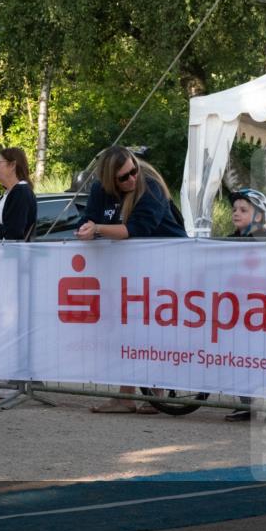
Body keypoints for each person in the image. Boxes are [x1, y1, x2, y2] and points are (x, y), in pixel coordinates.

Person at [75, 146, 186, 414]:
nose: (132, 179)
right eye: (124, 177)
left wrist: (99, 228)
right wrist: (85, 228)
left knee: (153, 329)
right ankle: (129, 395)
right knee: (126, 327)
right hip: (129, 272)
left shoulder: (151, 188)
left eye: (133, 171)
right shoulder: (100, 191)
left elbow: (136, 230)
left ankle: (155, 394)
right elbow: (87, 218)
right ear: (110, 179)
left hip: (169, 264)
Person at [222, 189, 266, 421]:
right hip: (239, 311)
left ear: (259, 216)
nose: (236, 213)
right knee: (240, 357)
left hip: (265, 311)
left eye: (244, 210)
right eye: (234, 210)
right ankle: (246, 403)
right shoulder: (230, 240)